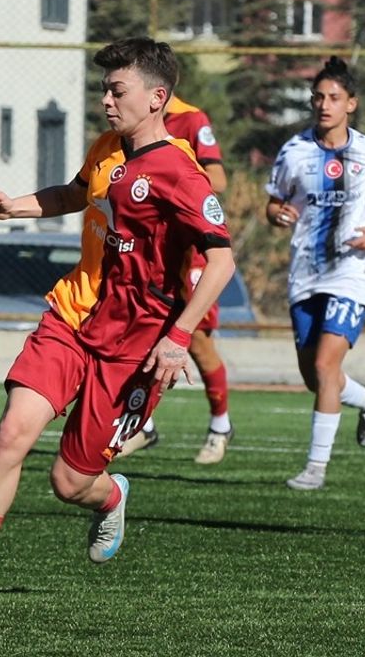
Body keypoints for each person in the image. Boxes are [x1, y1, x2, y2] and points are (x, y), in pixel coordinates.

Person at [0, 37, 235, 563]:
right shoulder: (106, 147)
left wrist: (178, 338)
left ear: (156, 98)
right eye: (103, 90)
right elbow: (73, 193)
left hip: (135, 345)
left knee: (69, 481)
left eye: (117, 90)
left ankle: (112, 495)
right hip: (71, 316)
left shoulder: (180, 172)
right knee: (11, 432)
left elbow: (222, 261)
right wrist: (10, 208)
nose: (106, 101)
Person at [264, 57, 365, 491]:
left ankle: (316, 468)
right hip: (305, 272)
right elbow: (275, 202)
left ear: (350, 103)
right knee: (314, 377)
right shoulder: (294, 150)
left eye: (334, 97)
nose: (324, 104)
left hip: (351, 273)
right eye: (318, 97)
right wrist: (277, 213)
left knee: (325, 363)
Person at [119, 91, 237, 464]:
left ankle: (221, 426)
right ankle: (142, 425)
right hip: (145, 251)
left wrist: (167, 171)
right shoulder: (125, 123)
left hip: (191, 250)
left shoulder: (190, 119)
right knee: (138, 335)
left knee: (196, 339)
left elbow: (217, 178)